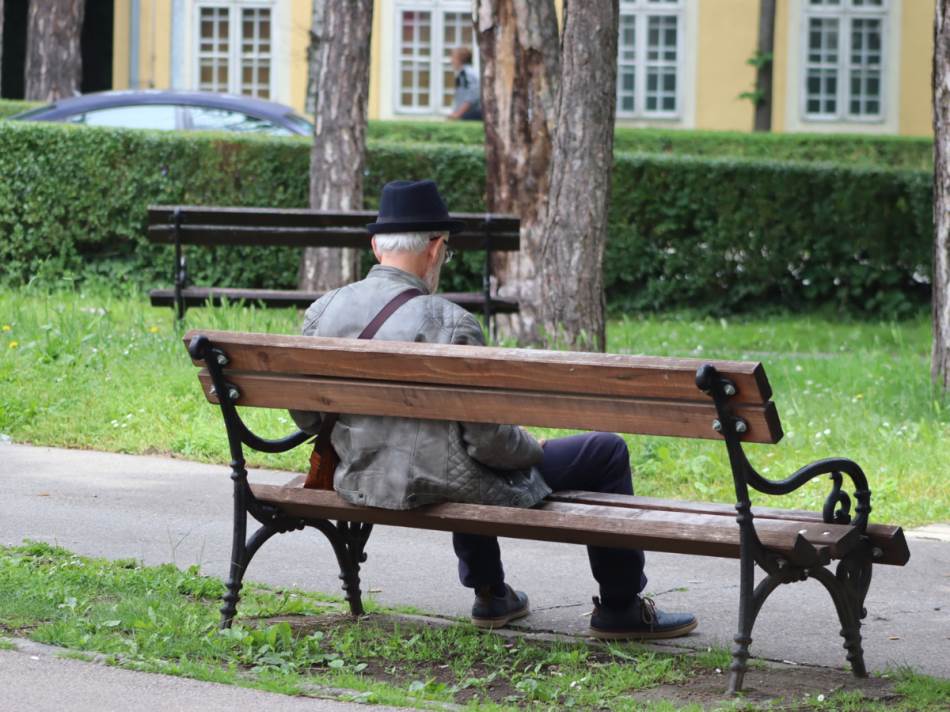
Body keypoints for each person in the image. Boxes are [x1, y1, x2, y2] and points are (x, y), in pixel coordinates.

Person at [290, 179, 697, 639]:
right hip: (432, 481)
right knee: (606, 451)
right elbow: (490, 443)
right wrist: (533, 446)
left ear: (376, 246)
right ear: (436, 247)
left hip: (360, 476)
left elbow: (306, 419)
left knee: (453, 451)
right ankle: (621, 607)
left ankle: (491, 593)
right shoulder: (451, 323)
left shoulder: (323, 311)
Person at [448, 47, 482, 121]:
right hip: (465, 114)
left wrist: (458, 114)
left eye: (453, 58)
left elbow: (473, 96)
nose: (451, 61)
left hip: (470, 115)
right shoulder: (462, 74)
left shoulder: (466, 74)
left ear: (460, 59)